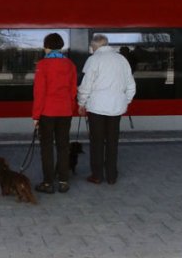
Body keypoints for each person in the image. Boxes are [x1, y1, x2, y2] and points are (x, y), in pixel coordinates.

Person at [78, 34, 136, 185]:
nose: (91, 49)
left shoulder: (93, 60)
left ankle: (97, 175)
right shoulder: (122, 60)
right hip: (116, 109)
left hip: (97, 108)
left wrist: (81, 103)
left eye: (92, 47)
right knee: (112, 142)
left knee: (97, 142)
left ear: (96, 46)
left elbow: (86, 86)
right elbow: (131, 85)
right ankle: (112, 176)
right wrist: (125, 101)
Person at [32, 33, 77, 194]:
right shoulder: (70, 64)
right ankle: (64, 181)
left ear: (47, 46)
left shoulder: (43, 65)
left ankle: (48, 183)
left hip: (47, 112)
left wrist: (36, 116)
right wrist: (70, 108)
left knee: (46, 147)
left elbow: (39, 92)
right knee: (63, 146)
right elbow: (73, 91)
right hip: (65, 112)